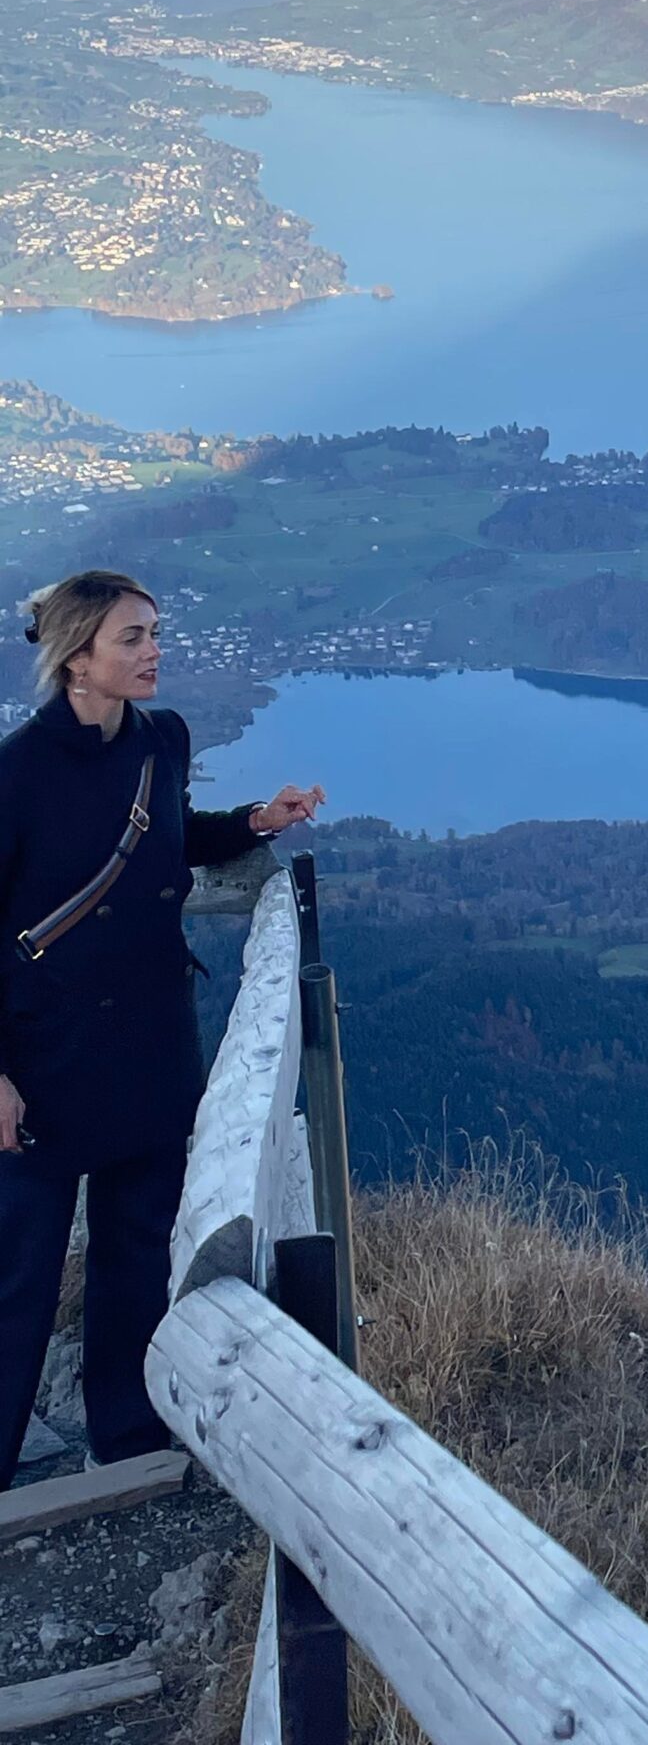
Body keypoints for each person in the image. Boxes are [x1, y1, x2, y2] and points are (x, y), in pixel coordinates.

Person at [0, 569, 324, 1486]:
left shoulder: (163, 741)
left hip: (148, 1041)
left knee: (137, 1251)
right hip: (44, 1055)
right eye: (133, 638)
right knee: (18, 1273)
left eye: (155, 633)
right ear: (77, 658)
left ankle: (128, 1444)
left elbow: (171, 837)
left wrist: (256, 820)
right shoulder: (15, 774)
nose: (155, 652)